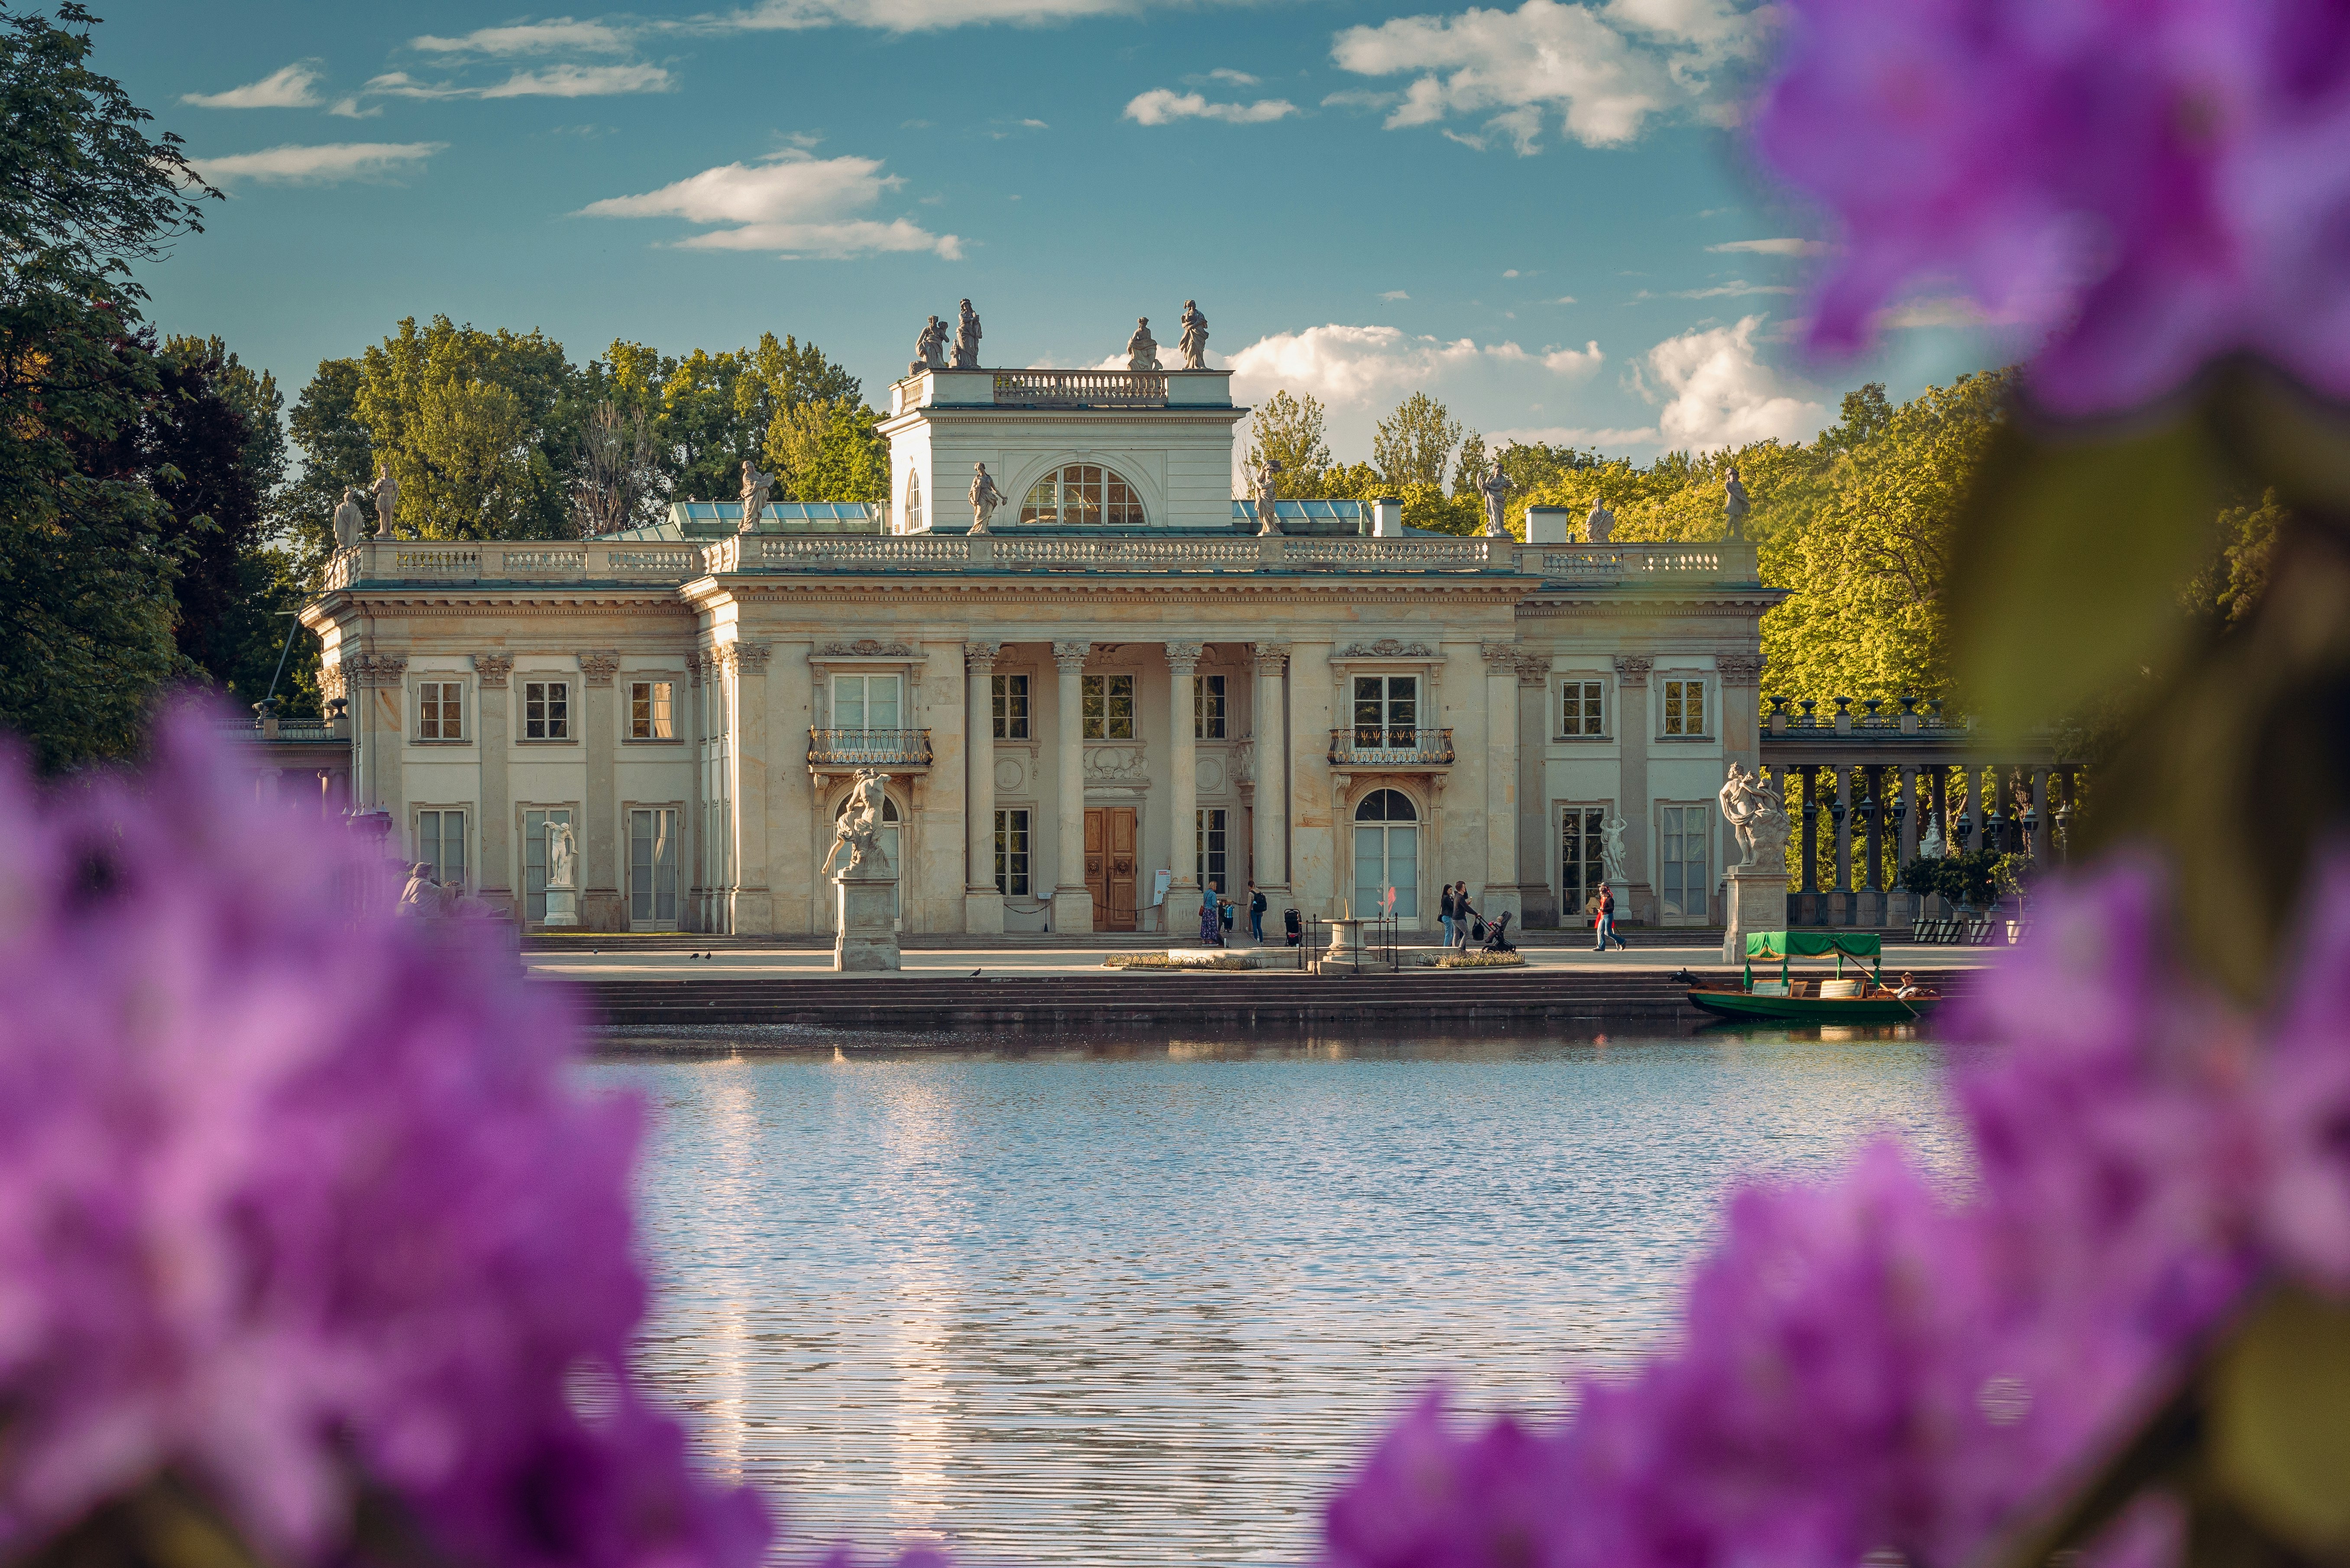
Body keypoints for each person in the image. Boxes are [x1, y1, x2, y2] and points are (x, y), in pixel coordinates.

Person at [1595, 883, 1628, 951]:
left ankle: (1622, 941)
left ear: (1606, 893)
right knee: (1600, 931)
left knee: (1608, 933)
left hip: (1608, 916)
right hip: (1603, 916)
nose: (1602, 895)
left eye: (1603, 894)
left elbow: (1612, 909)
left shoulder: (1610, 899)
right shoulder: (1603, 899)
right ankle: (1601, 946)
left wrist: (1603, 910)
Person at [1453, 883, 1476, 950]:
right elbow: (1467, 908)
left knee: (1456, 935)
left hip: (1455, 918)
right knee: (1467, 933)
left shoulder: (1457, 896)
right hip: (1459, 918)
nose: (1465, 888)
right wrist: (1476, 914)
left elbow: (1466, 897)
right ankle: (1460, 948)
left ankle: (1454, 950)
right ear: (1461, 889)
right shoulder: (1460, 898)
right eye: (1464, 887)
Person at [1199, 880, 1222, 946]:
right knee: (1211, 925)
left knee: (1205, 925)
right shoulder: (1213, 894)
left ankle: (1204, 940)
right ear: (1214, 886)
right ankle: (1210, 940)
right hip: (1211, 912)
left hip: (1205, 911)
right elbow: (1214, 904)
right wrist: (1219, 904)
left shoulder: (1206, 893)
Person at [1439, 883, 1458, 947]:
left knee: (1452, 933)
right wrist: (1454, 899)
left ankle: (1449, 946)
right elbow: (1452, 906)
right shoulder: (1446, 898)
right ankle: (1445, 948)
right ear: (1447, 890)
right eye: (1450, 890)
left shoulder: (1445, 897)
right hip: (1448, 917)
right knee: (1449, 934)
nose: (1451, 891)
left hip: (1447, 917)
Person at [1248, 880, 1267, 944]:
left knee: (1255, 926)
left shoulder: (1251, 893)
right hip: (1260, 911)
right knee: (1259, 926)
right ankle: (1261, 941)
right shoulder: (1260, 892)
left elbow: (1249, 904)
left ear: (1249, 886)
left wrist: (1247, 912)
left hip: (1254, 910)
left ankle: (1256, 941)